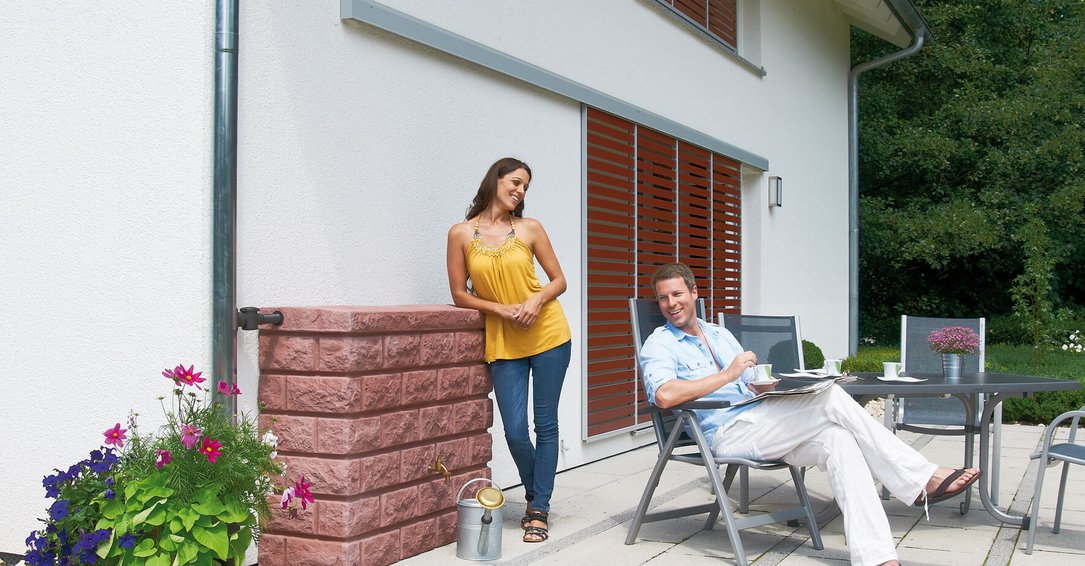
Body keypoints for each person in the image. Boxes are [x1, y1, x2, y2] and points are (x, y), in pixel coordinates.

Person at [638, 262, 981, 566]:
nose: (671, 304)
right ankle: (921, 479)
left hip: (763, 418)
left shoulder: (719, 334)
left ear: (695, 293)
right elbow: (665, 395)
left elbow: (746, 383)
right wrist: (727, 375)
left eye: (677, 294)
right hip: (727, 431)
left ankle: (878, 559)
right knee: (831, 396)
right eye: (664, 298)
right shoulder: (660, 343)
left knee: (839, 439)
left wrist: (761, 384)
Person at [446, 157, 572, 543]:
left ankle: (538, 509)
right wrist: (499, 309)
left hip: (549, 333)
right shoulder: (461, 234)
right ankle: (539, 492)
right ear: (495, 180)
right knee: (516, 431)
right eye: (516, 182)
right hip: (503, 340)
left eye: (526, 187)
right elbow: (458, 294)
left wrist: (535, 302)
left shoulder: (530, 228)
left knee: (545, 425)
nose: (520, 191)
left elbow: (559, 280)